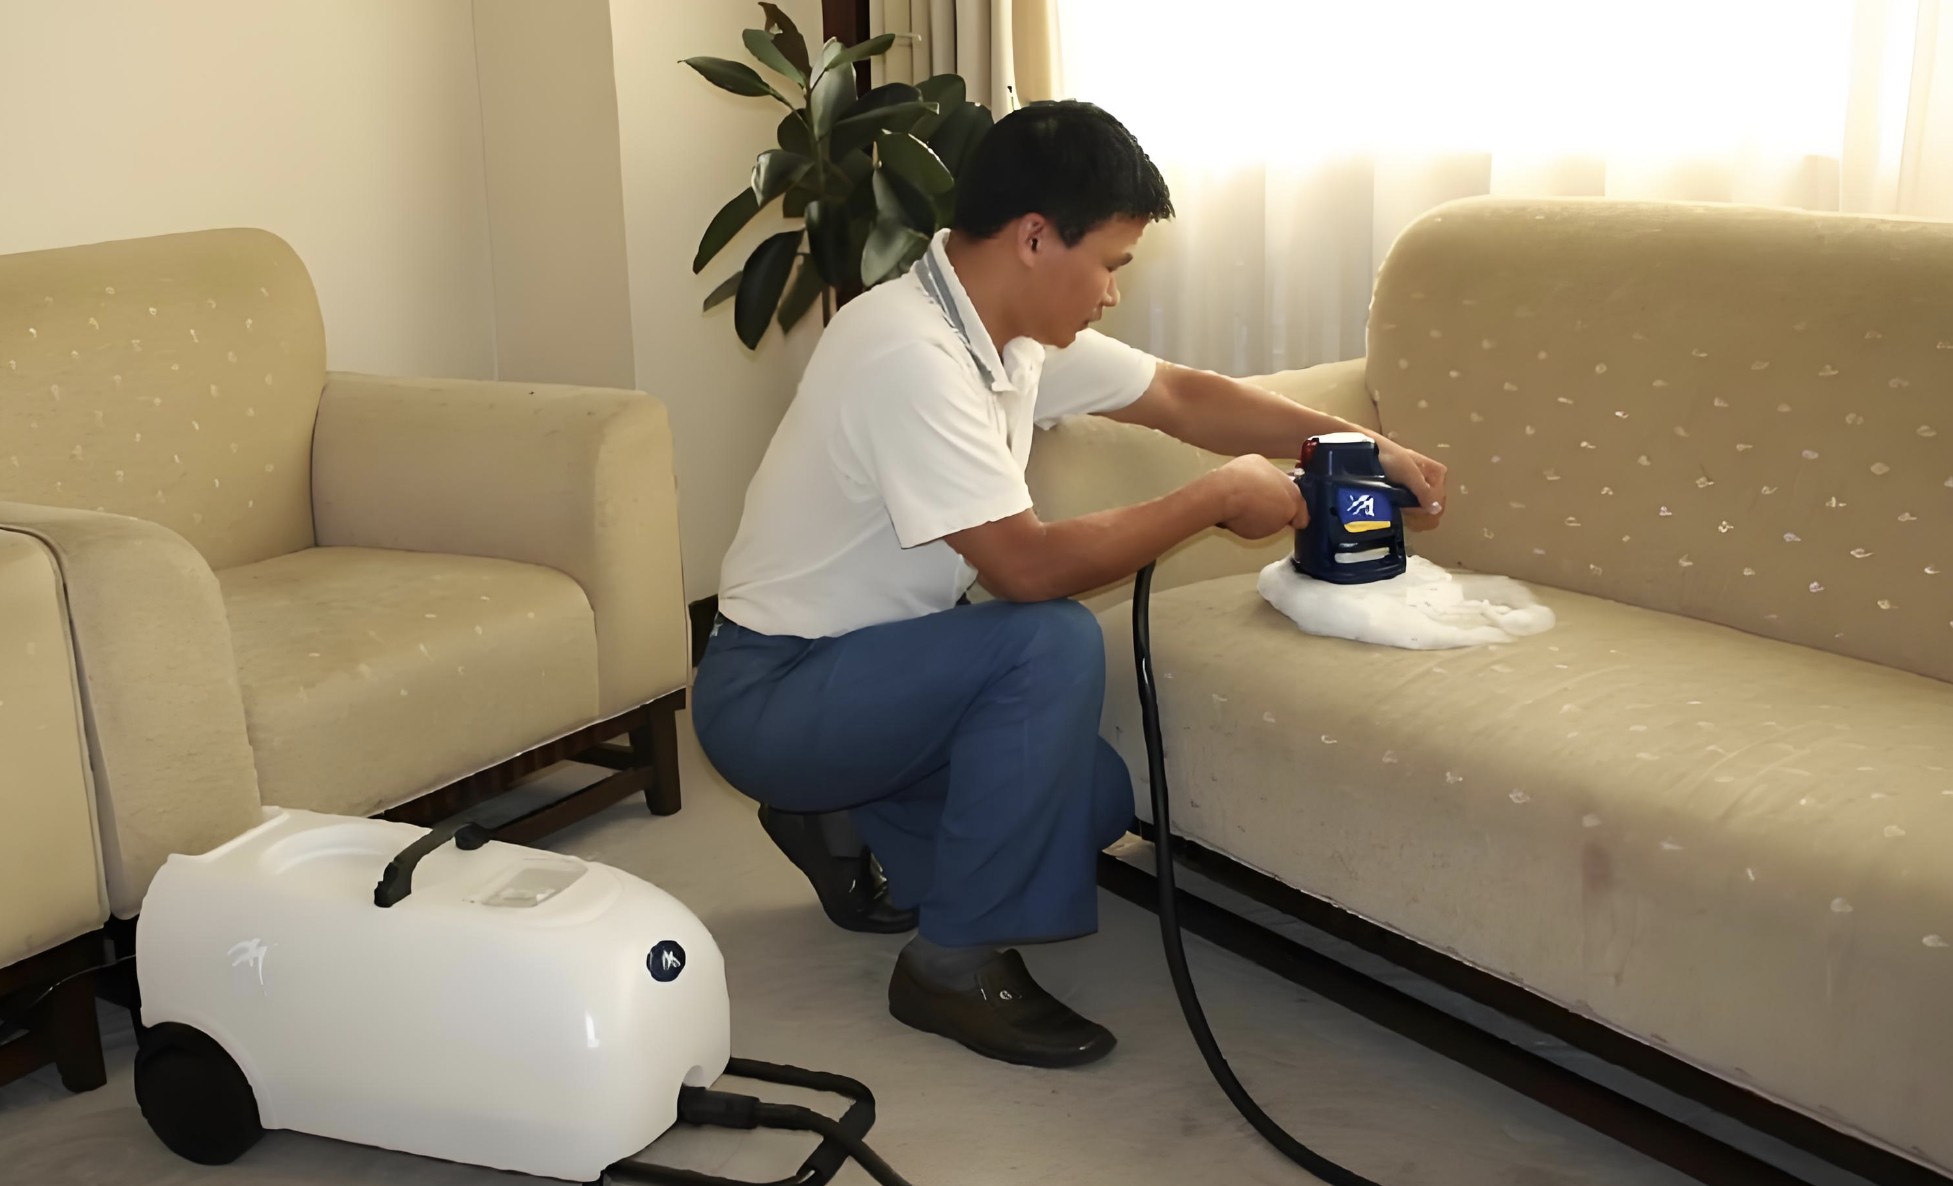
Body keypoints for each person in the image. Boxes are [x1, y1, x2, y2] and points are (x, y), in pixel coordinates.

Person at [693, 100, 1446, 1069]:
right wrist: (1214, 497)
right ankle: (949, 968)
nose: (1113, 292)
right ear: (1035, 237)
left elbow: (1179, 396)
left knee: (1087, 801)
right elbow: (1025, 568)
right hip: (774, 691)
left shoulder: (1002, 334)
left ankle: (837, 810)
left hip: (869, 669)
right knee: (1045, 638)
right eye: (1111, 263)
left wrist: (1361, 445)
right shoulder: (907, 354)